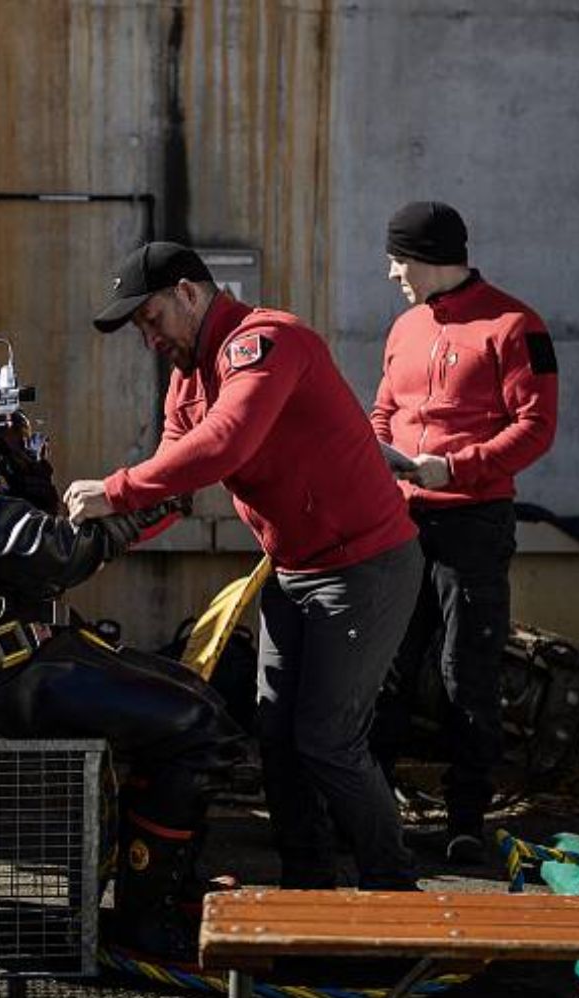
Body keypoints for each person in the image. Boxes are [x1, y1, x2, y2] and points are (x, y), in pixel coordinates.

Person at [0, 342, 245, 958]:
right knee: (199, 727)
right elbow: (57, 556)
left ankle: (165, 889)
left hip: (20, 662)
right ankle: (147, 923)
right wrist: (138, 510)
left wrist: (33, 481)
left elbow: (25, 570)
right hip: (6, 680)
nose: (9, 432)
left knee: (198, 699)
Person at [65, 242, 423, 891]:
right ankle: (306, 887)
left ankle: (395, 888)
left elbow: (224, 442)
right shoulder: (188, 378)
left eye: (151, 319)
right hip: (291, 569)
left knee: (328, 740)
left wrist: (113, 491)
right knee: (277, 738)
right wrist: (82, 545)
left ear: (188, 293)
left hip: (364, 567)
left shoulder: (267, 342)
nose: (149, 339)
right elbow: (172, 482)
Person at [369, 201, 559, 863]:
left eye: (398, 259)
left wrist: (454, 468)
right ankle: (371, 808)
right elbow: (383, 411)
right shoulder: (404, 327)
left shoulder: (515, 325)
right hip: (399, 520)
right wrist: (379, 458)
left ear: (427, 257)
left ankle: (465, 822)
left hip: (472, 522)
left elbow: (535, 427)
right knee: (385, 667)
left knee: (464, 671)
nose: (392, 273)